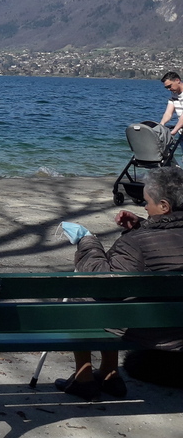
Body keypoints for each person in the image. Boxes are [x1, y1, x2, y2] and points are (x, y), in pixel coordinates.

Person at [56, 166, 183, 400]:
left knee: (85, 294)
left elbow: (101, 280)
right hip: (177, 327)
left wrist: (88, 241)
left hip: (156, 332)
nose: (144, 207)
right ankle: (108, 373)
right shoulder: (147, 235)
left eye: (147, 203)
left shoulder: (137, 244)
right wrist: (143, 224)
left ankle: (84, 378)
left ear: (164, 206)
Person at [158, 72, 183, 136]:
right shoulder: (174, 94)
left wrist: (174, 130)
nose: (169, 89)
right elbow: (168, 113)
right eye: (166, 87)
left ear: (177, 80)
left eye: (169, 86)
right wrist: (161, 125)